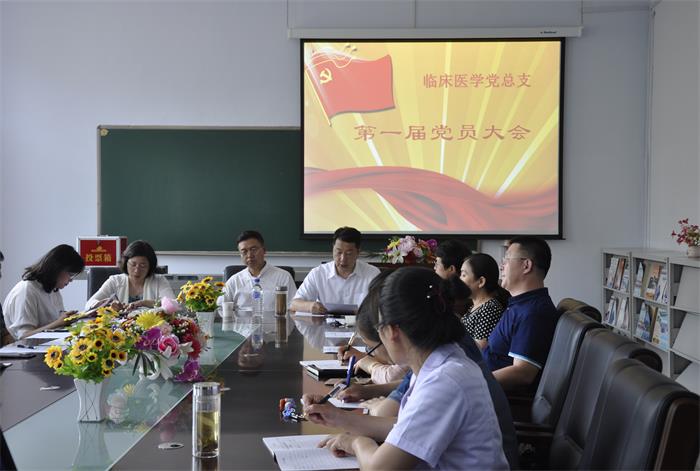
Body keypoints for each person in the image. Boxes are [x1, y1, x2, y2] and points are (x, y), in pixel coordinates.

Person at [309, 267, 508, 470]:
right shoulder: (439, 361)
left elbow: (380, 468)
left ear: (392, 331)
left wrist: (356, 443)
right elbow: (403, 428)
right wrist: (338, 418)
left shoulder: (445, 380)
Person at [483, 236, 559, 392]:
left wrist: (473, 383)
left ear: (526, 265)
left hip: (491, 395)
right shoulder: (520, 304)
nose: (501, 266)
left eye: (507, 260)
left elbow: (523, 373)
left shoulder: (534, 313)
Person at [2, 244, 84, 340]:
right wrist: (58, 323)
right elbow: (24, 336)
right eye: (70, 274)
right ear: (57, 269)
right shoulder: (27, 290)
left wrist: (68, 318)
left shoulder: (53, 289)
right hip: (25, 348)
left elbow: (55, 321)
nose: (71, 280)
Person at [291, 227, 379, 314]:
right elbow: (294, 304)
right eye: (339, 252)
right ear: (333, 249)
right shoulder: (318, 273)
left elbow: (382, 305)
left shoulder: (372, 274)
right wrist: (310, 306)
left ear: (358, 253)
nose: (343, 259)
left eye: (349, 253)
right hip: (326, 323)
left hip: (360, 322)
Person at [86, 240, 173, 311]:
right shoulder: (115, 281)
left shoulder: (159, 281)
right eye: (133, 264)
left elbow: (172, 305)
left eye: (142, 265)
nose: (137, 270)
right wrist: (106, 304)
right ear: (125, 263)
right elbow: (89, 304)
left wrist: (143, 303)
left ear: (150, 266)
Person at [222, 230, 296, 311]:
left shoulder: (283, 277)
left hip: (273, 319)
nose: (249, 255)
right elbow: (221, 307)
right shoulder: (234, 280)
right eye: (244, 252)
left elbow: (293, 307)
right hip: (241, 319)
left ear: (264, 250)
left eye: (253, 249)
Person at [460, 253, 510, 350]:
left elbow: (479, 349)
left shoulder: (490, 308)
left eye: (464, 275)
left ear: (481, 281)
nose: (460, 279)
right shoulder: (476, 306)